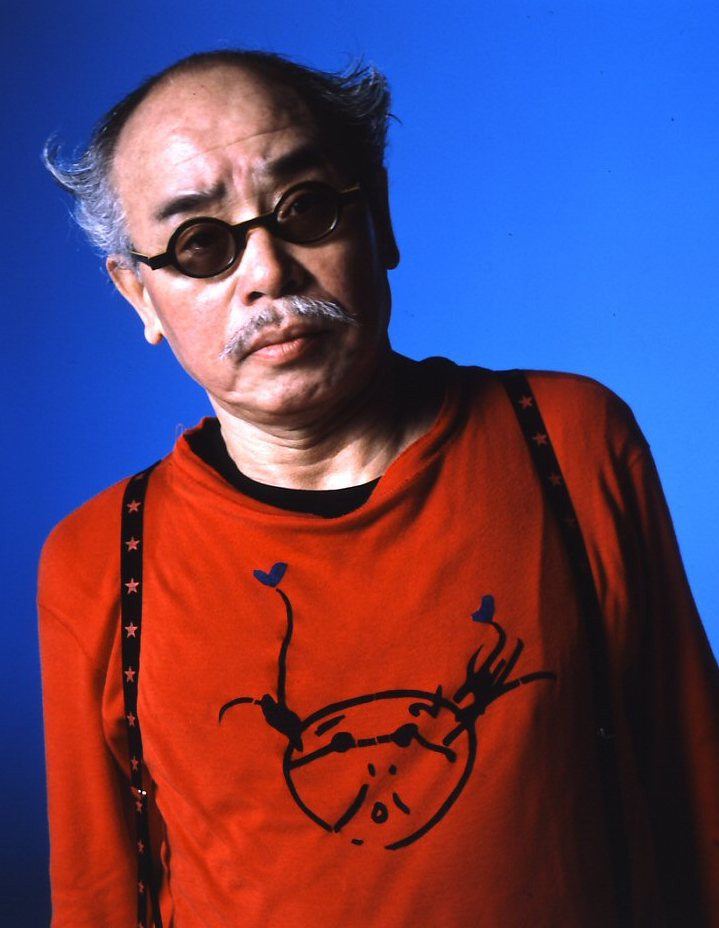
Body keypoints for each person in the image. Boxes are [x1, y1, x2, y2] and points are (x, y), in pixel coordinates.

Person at [39, 50, 718, 928]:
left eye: (304, 208)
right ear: (139, 296)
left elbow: (699, 798)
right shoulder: (99, 560)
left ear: (379, 220)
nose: (267, 272)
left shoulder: (569, 440)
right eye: (201, 243)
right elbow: (98, 897)